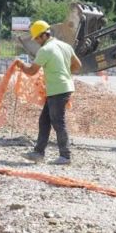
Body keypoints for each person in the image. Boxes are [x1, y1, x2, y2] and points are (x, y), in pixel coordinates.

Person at [15, 20, 82, 165]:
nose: (37, 41)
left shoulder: (45, 50)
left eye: (37, 38)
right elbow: (78, 65)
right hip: (61, 88)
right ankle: (38, 153)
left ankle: (65, 156)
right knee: (44, 120)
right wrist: (64, 73)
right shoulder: (65, 46)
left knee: (58, 122)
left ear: (43, 36)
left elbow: (32, 71)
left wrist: (20, 65)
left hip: (58, 89)